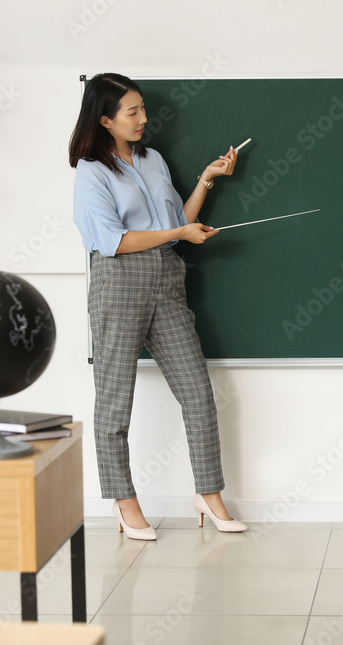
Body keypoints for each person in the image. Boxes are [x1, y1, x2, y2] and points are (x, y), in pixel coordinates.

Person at [69, 72, 247, 540]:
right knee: (115, 402)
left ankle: (208, 496)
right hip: (120, 283)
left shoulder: (154, 160)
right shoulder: (91, 171)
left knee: (197, 393)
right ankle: (125, 503)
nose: (143, 119)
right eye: (132, 112)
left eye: (143, 109)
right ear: (105, 119)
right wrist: (178, 235)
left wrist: (207, 181)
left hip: (167, 280)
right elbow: (113, 240)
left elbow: (177, 223)